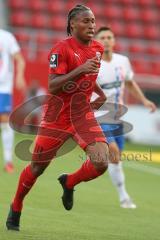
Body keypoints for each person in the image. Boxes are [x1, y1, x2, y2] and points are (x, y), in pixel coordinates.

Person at [6, 5, 110, 231]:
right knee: (37, 168)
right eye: (86, 21)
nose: (91, 26)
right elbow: (53, 86)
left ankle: (69, 181)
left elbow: (90, 76)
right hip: (57, 117)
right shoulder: (60, 50)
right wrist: (81, 69)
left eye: (93, 21)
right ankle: (16, 205)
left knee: (102, 162)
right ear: (72, 24)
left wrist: (99, 93)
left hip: (82, 115)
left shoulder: (98, 48)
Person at [92, 27, 157, 208]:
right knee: (112, 151)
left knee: (116, 159)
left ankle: (73, 180)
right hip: (99, 115)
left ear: (114, 41)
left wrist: (144, 100)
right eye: (102, 37)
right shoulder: (92, 64)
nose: (106, 40)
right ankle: (124, 197)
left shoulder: (123, 61)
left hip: (117, 116)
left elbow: (129, 83)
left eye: (109, 37)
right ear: (96, 41)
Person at [0, 29, 25, 173]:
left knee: (5, 121)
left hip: (3, 87)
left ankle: (8, 161)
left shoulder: (7, 37)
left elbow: (19, 59)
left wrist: (20, 75)